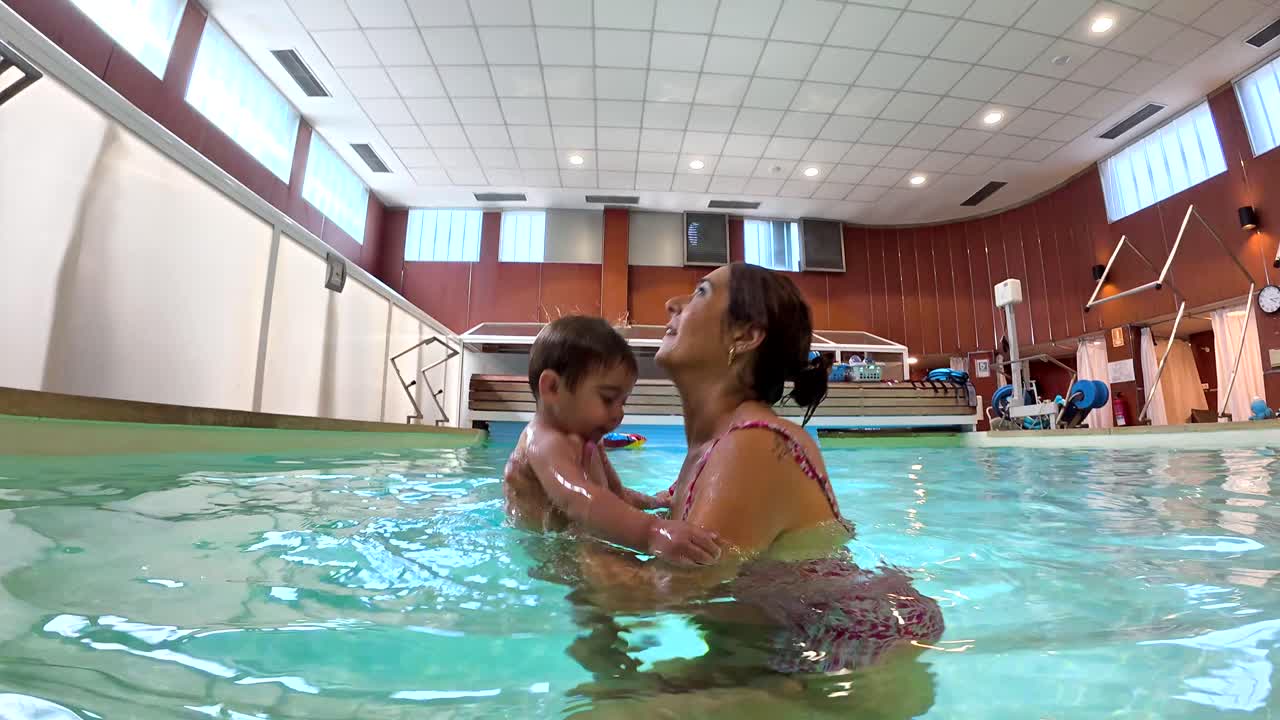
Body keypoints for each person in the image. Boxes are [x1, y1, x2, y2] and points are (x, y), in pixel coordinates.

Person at [573, 264, 943, 685]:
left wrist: (555, 532)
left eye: (700, 293)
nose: (671, 304)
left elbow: (666, 591)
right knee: (601, 688)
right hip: (773, 652)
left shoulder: (753, 444)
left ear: (745, 336)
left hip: (846, 669)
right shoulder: (713, 448)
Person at [503, 315, 723, 566]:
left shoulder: (587, 439)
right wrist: (654, 533)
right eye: (608, 399)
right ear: (553, 388)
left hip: (576, 539)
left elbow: (612, 495)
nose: (619, 413)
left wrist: (655, 503)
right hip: (548, 554)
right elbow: (578, 499)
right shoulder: (544, 440)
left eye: (623, 402)